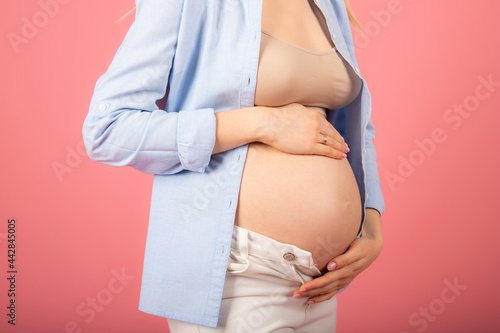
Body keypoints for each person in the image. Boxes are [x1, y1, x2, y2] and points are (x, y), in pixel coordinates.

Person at [82, 0, 385, 331]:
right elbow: (108, 128)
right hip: (237, 275)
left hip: (318, 286)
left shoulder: (329, 4)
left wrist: (370, 223)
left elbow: (355, 130)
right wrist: (262, 123)